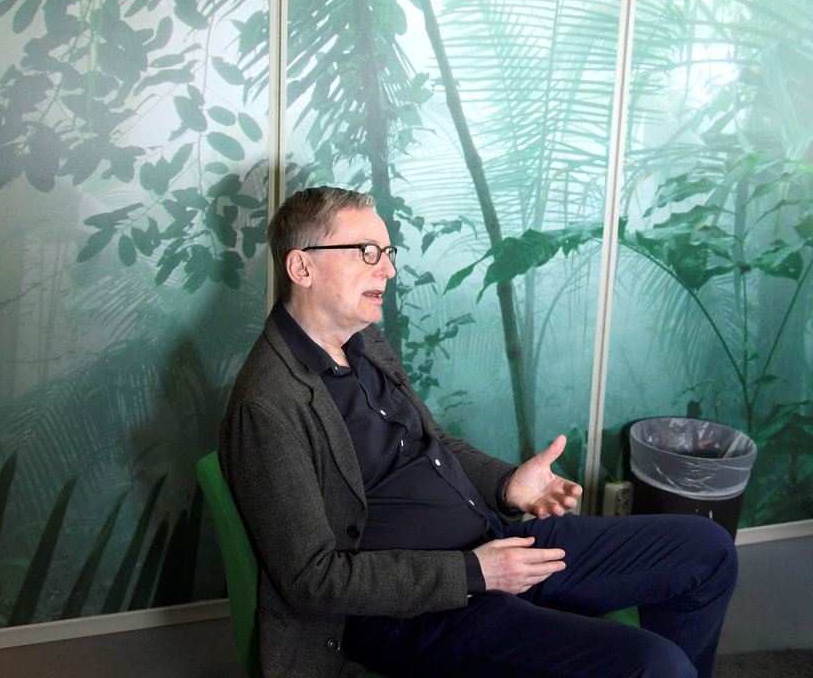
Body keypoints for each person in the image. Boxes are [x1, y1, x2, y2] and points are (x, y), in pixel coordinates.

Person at [219, 186, 737, 678]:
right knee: (655, 665)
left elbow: (434, 445)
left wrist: (507, 485)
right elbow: (313, 580)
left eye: (388, 252)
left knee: (707, 549)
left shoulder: (363, 340)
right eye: (367, 252)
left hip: (492, 543)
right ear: (302, 267)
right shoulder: (268, 405)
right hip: (414, 613)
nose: (389, 269)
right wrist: (474, 572)